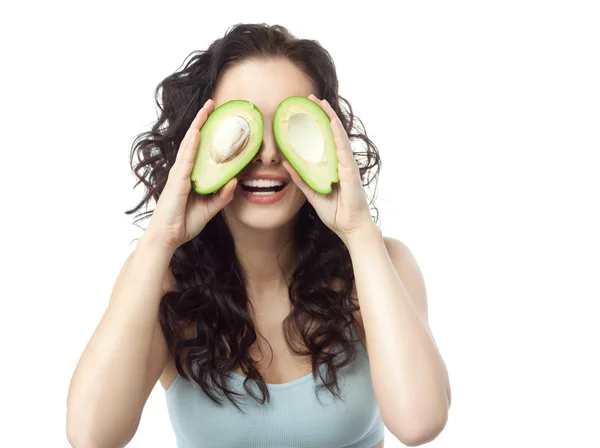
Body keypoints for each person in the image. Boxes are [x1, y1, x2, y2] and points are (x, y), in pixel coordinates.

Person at [66, 23, 451, 448]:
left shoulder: (382, 265)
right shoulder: (161, 282)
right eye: (242, 128)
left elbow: (421, 421)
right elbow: (91, 436)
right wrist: (161, 236)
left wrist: (359, 232)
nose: (266, 153)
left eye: (289, 128)